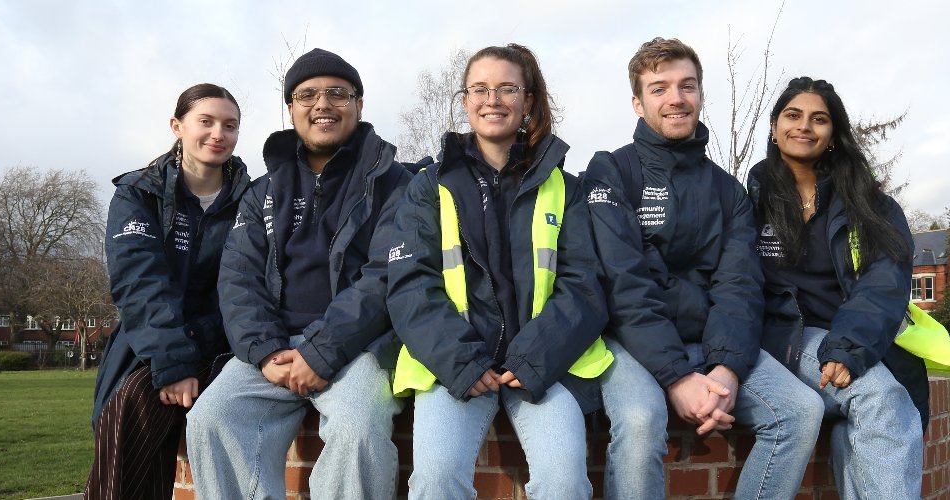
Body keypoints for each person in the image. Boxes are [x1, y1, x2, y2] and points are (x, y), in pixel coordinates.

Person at [581, 37, 824, 499]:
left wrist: (727, 371)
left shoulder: (727, 190)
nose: (676, 98)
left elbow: (740, 285)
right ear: (637, 102)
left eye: (686, 86)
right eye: (659, 88)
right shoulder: (611, 173)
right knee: (639, 420)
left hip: (711, 347)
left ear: (699, 94)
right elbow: (624, 284)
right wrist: (675, 377)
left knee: (799, 411)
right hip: (632, 345)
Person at [383, 43, 610, 499]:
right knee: (434, 480)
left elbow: (585, 285)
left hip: (544, 366)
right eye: (480, 89)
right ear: (465, 100)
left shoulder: (566, 188)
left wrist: (533, 361)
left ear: (527, 101)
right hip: (455, 367)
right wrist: (465, 363)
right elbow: (410, 286)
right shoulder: (428, 187)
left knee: (566, 483)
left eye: (508, 88)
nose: (493, 99)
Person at [184, 48, 412, 499]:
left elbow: (385, 276)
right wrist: (266, 351)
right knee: (210, 419)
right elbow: (239, 277)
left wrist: (322, 352)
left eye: (337, 94)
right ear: (291, 109)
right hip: (273, 350)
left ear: (359, 104)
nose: (322, 105)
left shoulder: (396, 184)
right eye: (306, 95)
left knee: (357, 429)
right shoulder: (263, 190)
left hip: (357, 350)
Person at [749, 76, 927, 499]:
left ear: (833, 134)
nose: (804, 126)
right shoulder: (750, 202)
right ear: (774, 127)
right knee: (879, 397)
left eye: (819, 119)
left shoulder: (871, 205)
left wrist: (848, 347)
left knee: (872, 414)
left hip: (852, 339)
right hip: (785, 338)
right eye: (793, 115)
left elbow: (884, 284)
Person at [88, 83, 251, 499]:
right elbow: (139, 281)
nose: (218, 134)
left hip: (222, 343)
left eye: (230, 126)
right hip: (153, 344)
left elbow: (246, 283)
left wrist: (200, 342)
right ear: (177, 126)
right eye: (206, 121)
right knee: (134, 405)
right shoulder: (138, 194)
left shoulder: (253, 199)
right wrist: (173, 361)